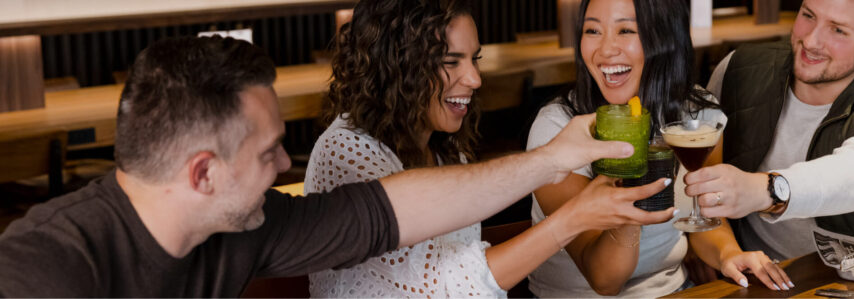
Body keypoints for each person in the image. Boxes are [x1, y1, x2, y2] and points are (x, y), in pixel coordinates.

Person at [0, 36, 675, 297]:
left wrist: (554, 158)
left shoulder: (243, 222)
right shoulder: (45, 267)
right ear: (203, 172)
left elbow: (393, 207)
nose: (287, 164)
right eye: (267, 152)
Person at [303, 0, 674, 297]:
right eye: (451, 62)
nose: (475, 79)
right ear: (396, 66)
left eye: (474, 59)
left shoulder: (447, 152)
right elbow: (445, 286)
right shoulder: (344, 152)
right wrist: (573, 215)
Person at [526, 0, 793, 297]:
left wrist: (729, 254)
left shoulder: (697, 115)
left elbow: (702, 217)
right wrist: (630, 183)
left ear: (665, 36)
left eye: (625, 30)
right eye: (592, 30)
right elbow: (604, 279)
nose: (605, 50)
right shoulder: (557, 130)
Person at [689, 0, 854, 261]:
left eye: (838, 30)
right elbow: (698, 172)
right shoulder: (737, 68)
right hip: (754, 276)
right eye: (808, 15)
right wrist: (702, 251)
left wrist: (767, 190)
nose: (810, 41)